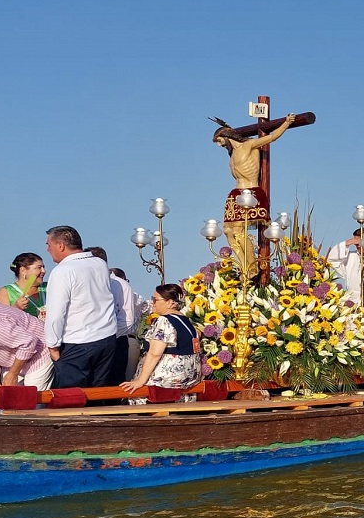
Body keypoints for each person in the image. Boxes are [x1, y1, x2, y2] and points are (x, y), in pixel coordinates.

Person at [212, 113, 296, 270]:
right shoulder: (232, 154)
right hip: (236, 193)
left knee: (238, 230)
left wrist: (286, 123)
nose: (219, 145)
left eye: (219, 140)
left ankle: (251, 266)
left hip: (251, 192)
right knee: (228, 231)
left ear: (226, 135)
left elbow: (271, 137)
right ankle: (243, 264)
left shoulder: (249, 145)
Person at [43, 225, 118, 389]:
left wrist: (52, 345)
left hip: (78, 341)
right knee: (98, 393)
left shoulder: (62, 271)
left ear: (61, 246)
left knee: (72, 397)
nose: (48, 250)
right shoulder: (99, 264)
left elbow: (56, 313)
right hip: (106, 337)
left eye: (49, 245)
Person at [120, 284, 201, 395]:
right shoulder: (185, 320)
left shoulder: (164, 321)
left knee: (132, 393)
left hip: (166, 379)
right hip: (188, 378)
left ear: (171, 303)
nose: (152, 302)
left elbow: (155, 354)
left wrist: (140, 381)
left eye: (155, 300)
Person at [86, 246, 139, 385]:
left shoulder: (120, 285)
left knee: (116, 384)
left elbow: (127, 320)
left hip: (117, 340)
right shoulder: (87, 283)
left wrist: (105, 335)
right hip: (91, 342)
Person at [0, 253, 47, 319]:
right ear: (23, 270)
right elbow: (2, 321)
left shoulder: (49, 286)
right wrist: (16, 308)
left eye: (43, 267)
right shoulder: (5, 292)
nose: (43, 271)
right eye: (39, 268)